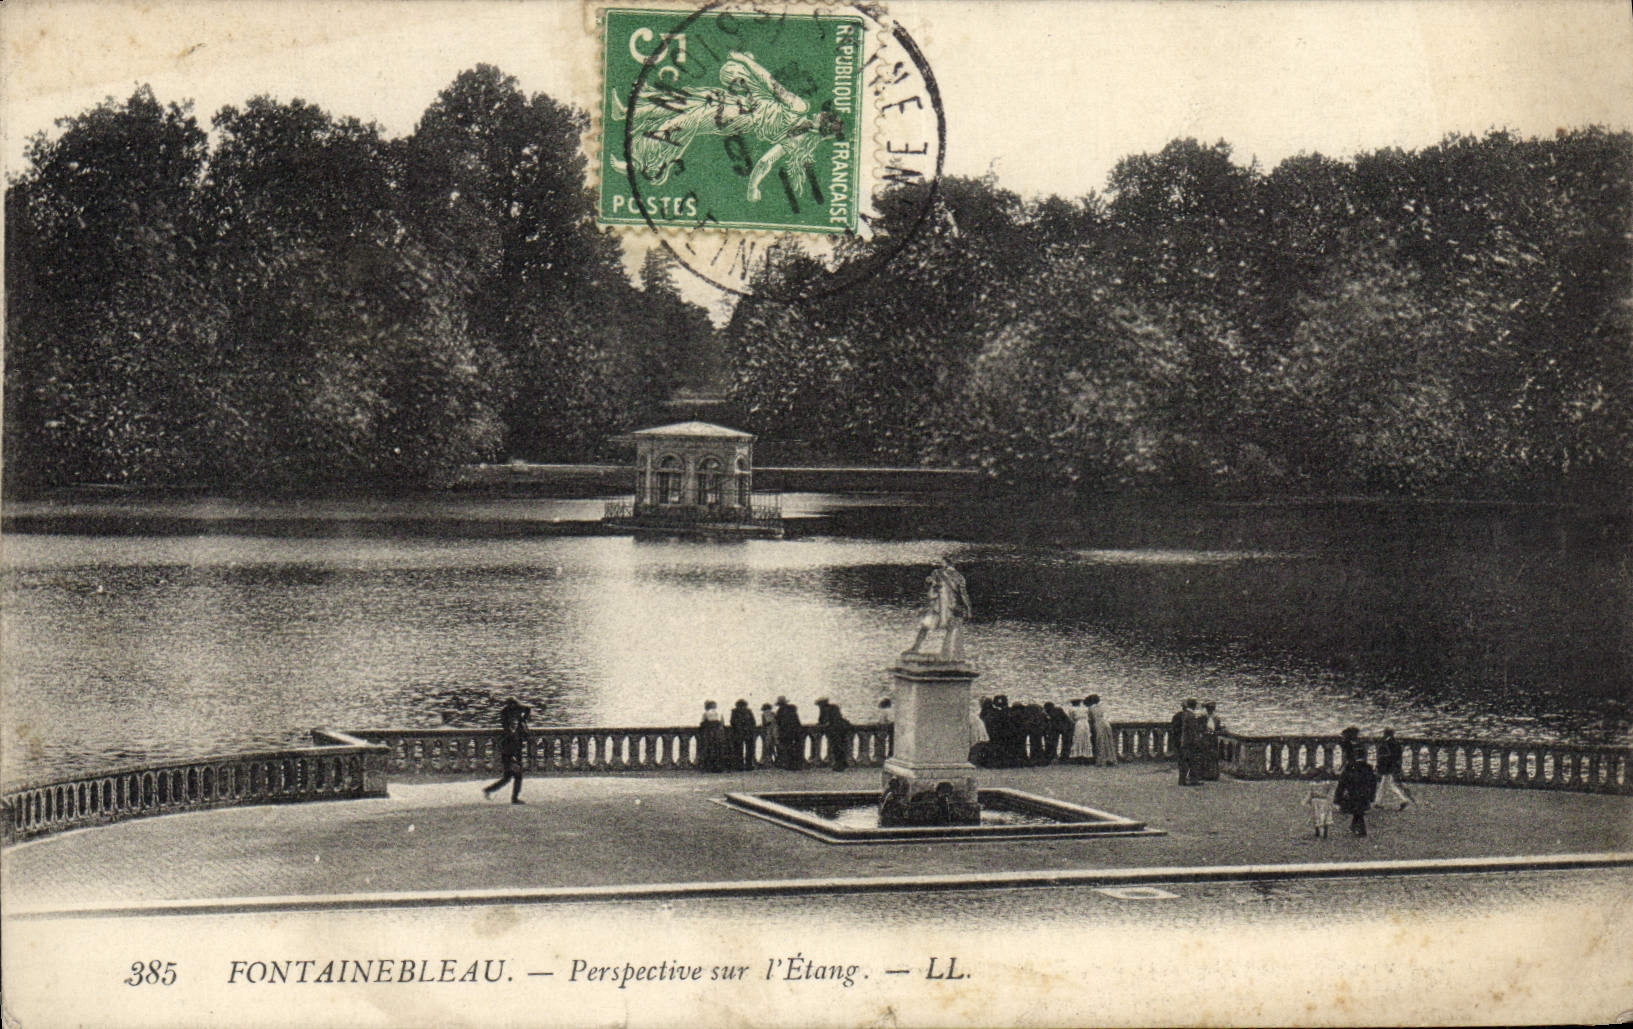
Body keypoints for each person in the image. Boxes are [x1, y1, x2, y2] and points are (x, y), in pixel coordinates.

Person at [910, 556, 973, 660]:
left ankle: (916, 648)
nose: (940, 564)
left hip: (939, 607)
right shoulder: (959, 577)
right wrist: (968, 608)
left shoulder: (937, 573)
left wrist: (930, 584)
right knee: (950, 629)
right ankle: (947, 653)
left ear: (946, 563)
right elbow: (964, 595)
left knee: (925, 627)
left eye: (942, 563)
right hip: (950, 607)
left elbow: (927, 586)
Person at [482, 698, 531, 804]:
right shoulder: (510, 732)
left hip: (512, 754)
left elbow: (527, 709)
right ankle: (514, 798)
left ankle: (489, 790)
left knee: (508, 778)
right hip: (511, 755)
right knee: (517, 776)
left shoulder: (512, 727)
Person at [1333, 749, 1380, 836]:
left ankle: (1358, 828)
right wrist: (1372, 796)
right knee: (1359, 811)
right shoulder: (1368, 767)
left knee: (1358, 811)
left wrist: (1337, 798)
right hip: (1364, 794)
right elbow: (1373, 783)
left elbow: (1342, 783)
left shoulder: (1350, 767)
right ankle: (1357, 827)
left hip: (1352, 794)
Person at [1374, 728, 1415, 810]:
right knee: (1385, 784)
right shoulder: (1395, 743)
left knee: (1388, 785)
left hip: (1387, 767)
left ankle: (1402, 800)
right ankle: (1378, 802)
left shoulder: (1386, 743)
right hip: (1391, 766)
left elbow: (1384, 756)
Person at [1171, 699, 1202, 785]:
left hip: (1183, 742)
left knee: (1183, 762)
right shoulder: (1191, 716)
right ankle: (1192, 780)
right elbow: (1193, 731)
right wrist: (1196, 741)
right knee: (1192, 761)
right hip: (1189, 742)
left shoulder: (1182, 715)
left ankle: (1182, 780)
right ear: (1194, 706)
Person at [816, 698, 851, 772]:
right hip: (842, 729)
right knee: (842, 746)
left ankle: (839, 765)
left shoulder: (825, 710)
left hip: (833, 731)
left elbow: (821, 720)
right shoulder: (834, 708)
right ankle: (843, 763)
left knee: (836, 748)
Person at [1086, 694, 1118, 767]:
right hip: (1106, 723)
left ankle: (1101, 761)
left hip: (1098, 724)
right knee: (1109, 741)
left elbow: (1090, 719)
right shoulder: (1102, 707)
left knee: (1100, 742)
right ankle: (1111, 759)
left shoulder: (1090, 708)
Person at [775, 697, 806, 770]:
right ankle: (797, 765)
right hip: (795, 731)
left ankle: (789, 765)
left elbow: (778, 722)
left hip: (785, 732)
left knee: (787, 748)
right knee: (796, 748)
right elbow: (797, 721)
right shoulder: (792, 710)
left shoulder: (780, 711)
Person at [698, 700, 727, 773]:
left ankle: (710, 767)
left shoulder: (706, 714)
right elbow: (722, 723)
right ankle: (719, 767)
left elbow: (702, 723)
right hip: (718, 734)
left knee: (710, 750)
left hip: (709, 734)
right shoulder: (719, 713)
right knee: (718, 750)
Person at [729, 699, 758, 771]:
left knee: (739, 750)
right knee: (749, 749)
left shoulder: (734, 712)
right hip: (748, 732)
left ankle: (740, 766)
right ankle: (749, 765)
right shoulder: (748, 711)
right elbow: (753, 722)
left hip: (739, 733)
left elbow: (732, 722)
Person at [1200, 701, 1224, 781]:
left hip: (1212, 738)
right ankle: (1205, 774)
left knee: (1212, 756)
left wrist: (1220, 730)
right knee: (1206, 755)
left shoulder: (1215, 718)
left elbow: (1217, 728)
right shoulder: (1203, 717)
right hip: (1206, 738)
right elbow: (1200, 728)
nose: (1211, 710)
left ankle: (1212, 774)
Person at [1068, 698, 1093, 763]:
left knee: (1078, 739)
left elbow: (1071, 719)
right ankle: (1087, 755)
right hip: (1086, 723)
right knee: (1086, 738)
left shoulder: (1071, 709)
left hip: (1078, 723)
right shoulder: (1085, 708)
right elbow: (1089, 717)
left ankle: (1078, 755)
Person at [760, 702, 779, 768]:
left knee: (768, 748)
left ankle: (768, 762)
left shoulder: (764, 714)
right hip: (775, 732)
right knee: (775, 747)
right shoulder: (773, 713)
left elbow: (765, 724)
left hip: (768, 732)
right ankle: (776, 760)